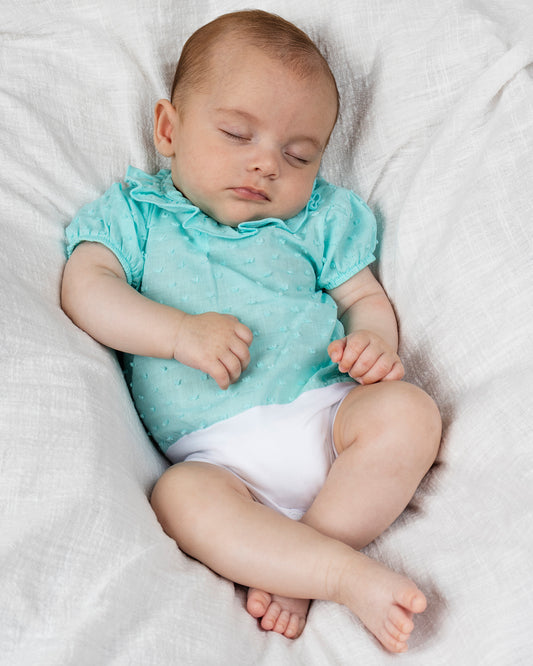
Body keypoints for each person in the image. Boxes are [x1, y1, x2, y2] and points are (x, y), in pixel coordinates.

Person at [61, 9, 441, 653]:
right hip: (216, 461)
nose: (266, 164)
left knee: (410, 413)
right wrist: (179, 335)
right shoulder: (137, 217)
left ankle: (303, 559)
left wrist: (374, 341)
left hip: (328, 417)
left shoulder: (317, 220)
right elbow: (85, 289)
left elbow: (363, 297)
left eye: (298, 154)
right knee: (179, 502)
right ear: (169, 129)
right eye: (238, 134)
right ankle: (334, 572)